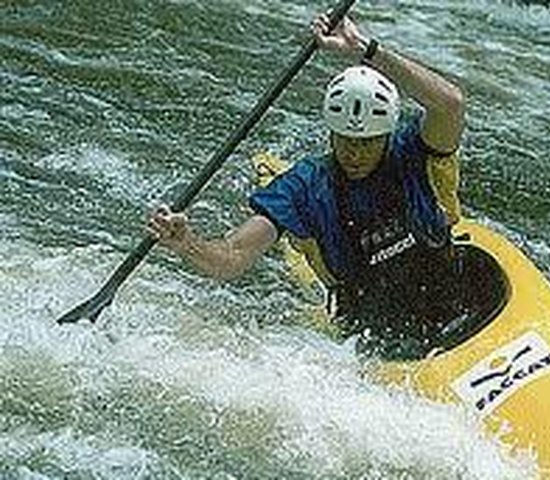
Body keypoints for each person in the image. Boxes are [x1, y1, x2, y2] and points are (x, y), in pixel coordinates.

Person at [147, 13, 467, 359]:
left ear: (386, 135)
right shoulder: (303, 187)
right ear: (330, 132)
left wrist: (364, 48)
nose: (354, 152)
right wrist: (185, 243)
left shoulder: (413, 152)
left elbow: (451, 103)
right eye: (345, 139)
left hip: (455, 310)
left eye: (367, 142)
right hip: (374, 339)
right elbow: (232, 257)